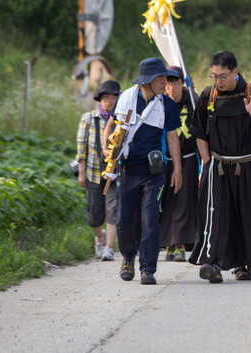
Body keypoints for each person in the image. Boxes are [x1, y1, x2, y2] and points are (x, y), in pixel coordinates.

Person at [189, 50, 251, 283]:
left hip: (249, 166)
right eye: (214, 76)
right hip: (218, 166)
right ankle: (211, 263)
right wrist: (207, 164)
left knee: (246, 215)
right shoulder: (209, 95)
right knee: (216, 216)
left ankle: (243, 265)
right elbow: (199, 133)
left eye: (222, 76)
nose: (218, 81)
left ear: (235, 71)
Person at [103, 58, 182, 285]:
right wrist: (107, 147)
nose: (165, 82)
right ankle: (128, 257)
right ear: (147, 81)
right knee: (123, 221)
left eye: (166, 77)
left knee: (151, 220)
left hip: (154, 171)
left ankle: (148, 268)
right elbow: (112, 124)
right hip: (127, 168)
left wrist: (177, 169)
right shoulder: (125, 98)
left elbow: (172, 137)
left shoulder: (166, 104)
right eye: (161, 78)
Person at [76, 80, 120, 261]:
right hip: (94, 172)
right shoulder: (88, 118)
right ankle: (99, 237)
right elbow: (81, 148)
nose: (109, 101)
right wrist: (81, 171)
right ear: (99, 100)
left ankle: (109, 248)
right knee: (94, 215)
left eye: (113, 98)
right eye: (106, 98)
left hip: (115, 174)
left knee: (113, 209)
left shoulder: (122, 119)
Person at [159, 66, 198, 262]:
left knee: (184, 202)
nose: (171, 87)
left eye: (175, 82)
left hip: (189, 158)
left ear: (182, 82)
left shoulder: (193, 101)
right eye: (168, 82)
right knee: (167, 202)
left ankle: (181, 244)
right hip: (165, 160)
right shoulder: (160, 103)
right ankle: (169, 243)